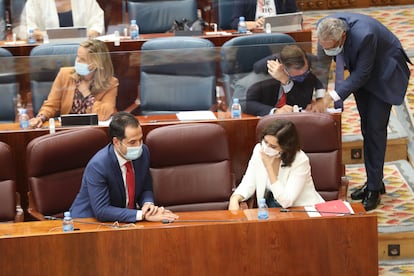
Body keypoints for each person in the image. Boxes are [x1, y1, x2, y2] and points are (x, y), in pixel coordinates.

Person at [311, 13, 411, 211]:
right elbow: (321, 65)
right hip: (360, 71)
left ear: (343, 38)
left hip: (384, 73)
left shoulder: (365, 35)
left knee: (375, 130)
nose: (327, 50)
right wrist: (318, 95)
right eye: (324, 45)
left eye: (331, 46)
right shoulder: (324, 28)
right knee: (366, 127)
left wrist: (331, 97)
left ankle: (374, 188)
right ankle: (375, 179)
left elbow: (362, 74)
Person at [70, 111, 179, 223]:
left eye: (140, 140)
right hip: (87, 223)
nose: (138, 146)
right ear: (116, 142)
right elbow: (102, 211)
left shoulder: (143, 153)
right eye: (132, 142)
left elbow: (146, 187)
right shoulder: (98, 166)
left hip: (122, 221)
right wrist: (142, 215)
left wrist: (148, 205)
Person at [228, 119, 324, 210]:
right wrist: (235, 197)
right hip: (271, 211)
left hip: (301, 212)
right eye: (265, 141)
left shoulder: (300, 160)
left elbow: (286, 201)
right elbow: (249, 181)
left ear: (285, 148)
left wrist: (269, 168)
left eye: (273, 146)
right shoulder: (259, 149)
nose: (266, 147)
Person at [29, 39, 118, 128]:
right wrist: (40, 118)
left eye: (82, 59)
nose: (77, 61)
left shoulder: (111, 83)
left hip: (93, 132)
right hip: (67, 130)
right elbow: (51, 105)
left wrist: (87, 94)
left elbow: (103, 115)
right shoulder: (65, 75)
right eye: (77, 56)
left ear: (96, 64)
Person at [235, 44, 326, 116]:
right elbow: (244, 104)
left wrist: (320, 99)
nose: (303, 77)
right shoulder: (260, 78)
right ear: (282, 68)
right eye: (297, 76)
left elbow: (317, 79)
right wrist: (275, 112)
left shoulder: (307, 65)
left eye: (305, 73)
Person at [17, 0, 104, 40]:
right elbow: (30, 30)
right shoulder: (34, 2)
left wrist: (85, 35)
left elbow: (97, 26)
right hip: (48, 53)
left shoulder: (87, 1)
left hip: (84, 51)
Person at [230, 0, 297, 30]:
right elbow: (234, 22)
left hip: (278, 33)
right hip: (254, 37)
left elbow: (295, 17)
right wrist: (252, 24)